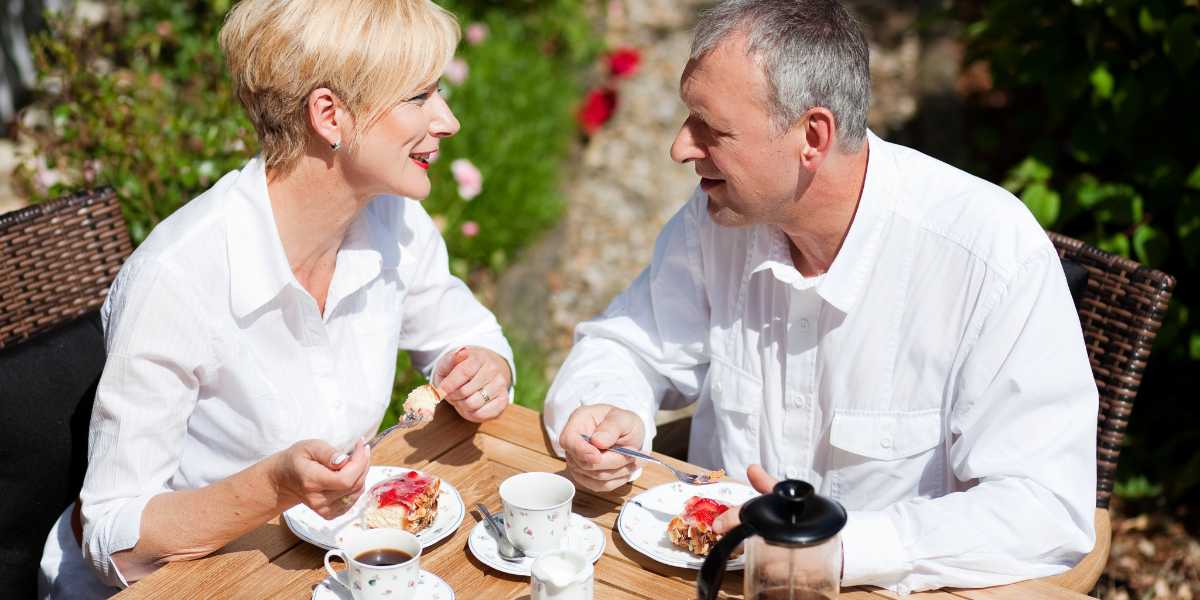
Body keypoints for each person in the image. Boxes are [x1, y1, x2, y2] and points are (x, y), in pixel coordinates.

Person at [544, 0, 1098, 594]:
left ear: (812, 137)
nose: (681, 147)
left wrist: (838, 549)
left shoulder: (989, 257)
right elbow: (626, 346)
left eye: (711, 127)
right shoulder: (718, 221)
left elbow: (1044, 509)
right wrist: (611, 409)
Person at [37, 0, 515, 597]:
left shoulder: (394, 218)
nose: (448, 121)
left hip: (327, 563)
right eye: (419, 97)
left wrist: (484, 370)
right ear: (329, 115)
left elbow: (469, 337)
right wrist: (274, 488)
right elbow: (111, 539)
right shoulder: (177, 278)